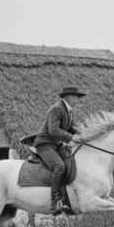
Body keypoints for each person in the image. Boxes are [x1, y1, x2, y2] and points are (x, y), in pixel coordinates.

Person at [34, 86, 85, 214]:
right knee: (59, 166)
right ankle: (54, 201)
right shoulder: (56, 109)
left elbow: (71, 128)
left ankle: (66, 202)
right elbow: (53, 130)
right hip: (45, 143)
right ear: (68, 97)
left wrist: (85, 135)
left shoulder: (69, 111)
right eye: (76, 97)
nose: (78, 100)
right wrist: (71, 137)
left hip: (56, 145)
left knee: (70, 165)